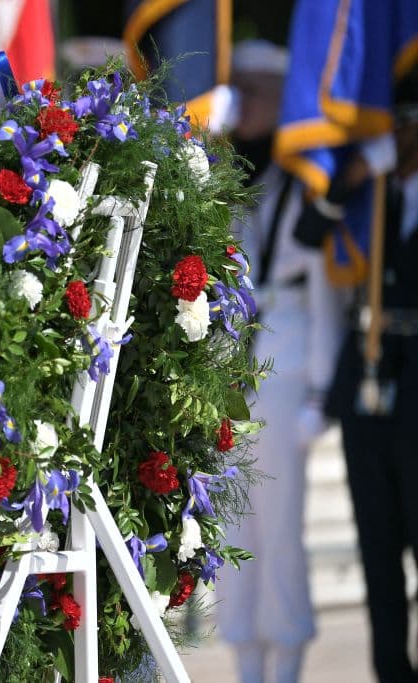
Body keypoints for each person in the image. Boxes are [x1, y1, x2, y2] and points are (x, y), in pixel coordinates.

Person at [216, 40, 345, 683]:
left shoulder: (305, 182)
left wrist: (322, 392)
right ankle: (245, 653)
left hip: (288, 366)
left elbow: (325, 295)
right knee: (235, 525)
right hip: (234, 373)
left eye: (254, 92)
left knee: (281, 526)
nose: (241, 104)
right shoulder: (232, 178)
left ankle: (288, 653)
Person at [324, 68, 418, 683]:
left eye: (404, 124)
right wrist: (355, 176)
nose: (396, 136)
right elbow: (310, 230)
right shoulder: (368, 197)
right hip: (367, 381)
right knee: (377, 550)